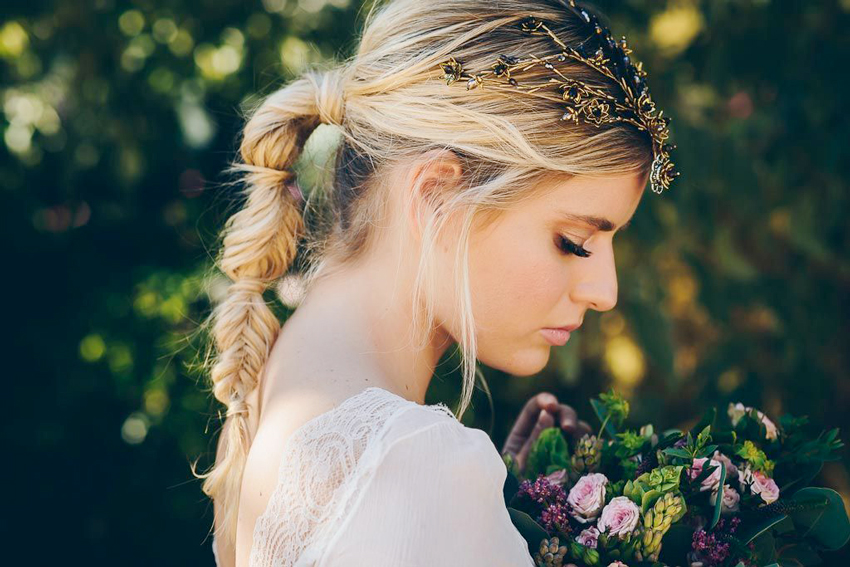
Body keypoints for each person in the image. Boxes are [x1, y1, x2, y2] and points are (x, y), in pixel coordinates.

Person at [191, 0, 679, 564]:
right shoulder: (409, 466)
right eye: (573, 241)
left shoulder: (288, 376)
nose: (605, 292)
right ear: (437, 196)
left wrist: (497, 518)